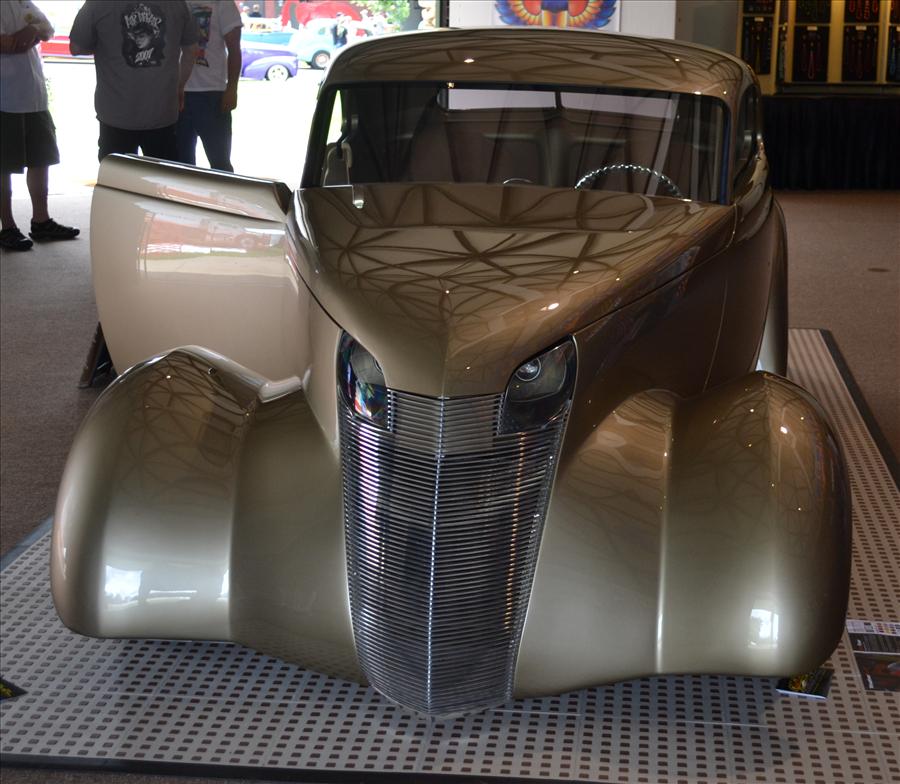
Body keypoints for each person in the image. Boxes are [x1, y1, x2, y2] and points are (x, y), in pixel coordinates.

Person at [69, 1, 199, 162]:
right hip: (162, 112)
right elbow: (191, 50)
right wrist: (180, 86)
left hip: (116, 115)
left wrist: (104, 46)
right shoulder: (178, 4)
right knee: (161, 176)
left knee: (117, 177)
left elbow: (76, 48)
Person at [0, 0, 79, 251]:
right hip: (4, 98)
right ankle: (7, 227)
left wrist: (33, 31)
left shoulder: (23, 1)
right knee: (3, 165)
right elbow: (8, 44)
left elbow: (47, 28)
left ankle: (41, 221)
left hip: (34, 96)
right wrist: (30, 33)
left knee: (40, 158)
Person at [176, 1, 242, 172]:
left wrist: (232, 89)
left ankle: (224, 191)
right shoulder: (175, 3)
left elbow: (234, 50)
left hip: (212, 94)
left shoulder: (222, 4)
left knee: (220, 163)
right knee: (180, 165)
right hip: (177, 94)